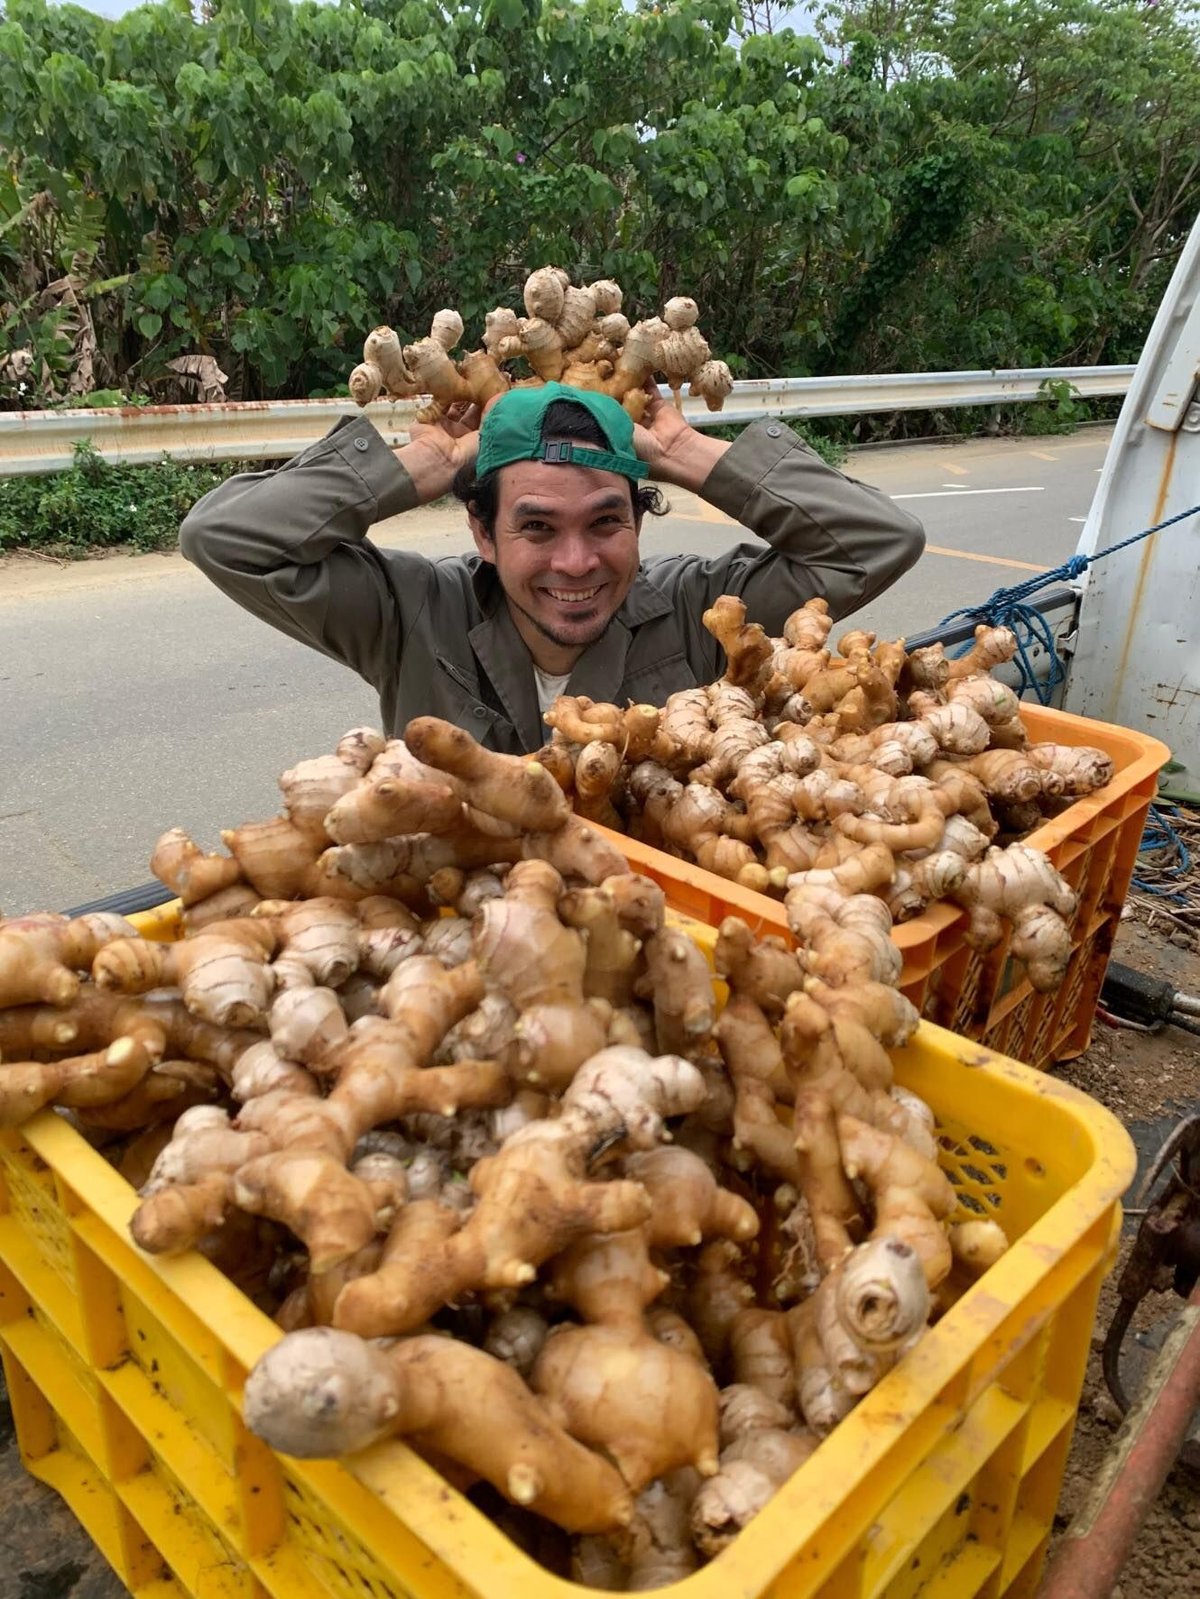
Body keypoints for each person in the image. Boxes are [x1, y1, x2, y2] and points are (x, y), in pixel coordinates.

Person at [179, 379, 924, 752]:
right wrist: (422, 463)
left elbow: (876, 540)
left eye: (606, 521)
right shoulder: (407, 613)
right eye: (537, 527)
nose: (576, 563)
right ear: (484, 531)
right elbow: (225, 537)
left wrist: (680, 454)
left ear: (638, 521)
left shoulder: (705, 615)